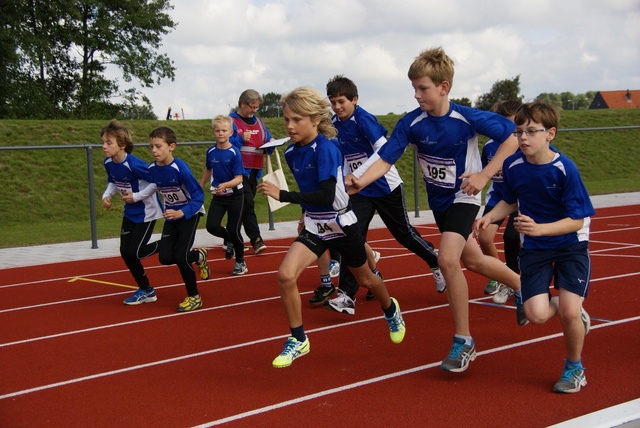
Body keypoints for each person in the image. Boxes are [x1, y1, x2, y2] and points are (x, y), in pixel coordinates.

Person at [346, 47, 525, 373]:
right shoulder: (411, 123)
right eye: (413, 88)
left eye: (423, 88)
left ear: (444, 87)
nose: (416, 95)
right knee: (472, 260)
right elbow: (385, 159)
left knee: (446, 258)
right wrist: (359, 180)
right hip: (440, 204)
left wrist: (485, 174)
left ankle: (464, 340)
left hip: (465, 197)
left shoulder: (466, 117)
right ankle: (523, 286)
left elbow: (513, 136)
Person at [257, 86, 406, 368]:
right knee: (286, 275)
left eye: (297, 119)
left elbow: (327, 195)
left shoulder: (326, 149)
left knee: (366, 280)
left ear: (315, 119)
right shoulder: (291, 152)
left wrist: (283, 195)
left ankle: (390, 309)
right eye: (287, 119)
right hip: (315, 225)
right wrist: (304, 212)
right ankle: (298, 339)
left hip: (340, 223)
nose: (290, 125)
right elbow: (309, 189)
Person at [475, 101, 593, 393]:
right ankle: (574, 310)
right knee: (537, 315)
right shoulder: (513, 166)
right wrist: (490, 216)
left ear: (550, 133)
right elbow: (510, 199)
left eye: (530, 131)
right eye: (518, 132)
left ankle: (574, 368)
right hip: (536, 249)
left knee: (567, 309)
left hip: (570, 245)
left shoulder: (565, 169)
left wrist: (540, 229)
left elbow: (577, 221)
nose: (523, 138)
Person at [320, 75, 445, 314]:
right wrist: (347, 181)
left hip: (385, 186)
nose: (337, 107)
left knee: (404, 235)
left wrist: (362, 174)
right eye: (333, 102)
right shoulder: (333, 124)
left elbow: (383, 150)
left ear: (354, 100)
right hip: (360, 191)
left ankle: (435, 261)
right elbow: (344, 157)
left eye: (341, 101)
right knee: (351, 236)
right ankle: (347, 295)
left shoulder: (364, 119)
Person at [145, 126, 210, 312]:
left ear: (171, 146)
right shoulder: (152, 168)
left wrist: (182, 212)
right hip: (171, 215)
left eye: (158, 146)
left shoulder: (180, 168)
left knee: (181, 256)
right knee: (165, 257)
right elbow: (153, 188)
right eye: (151, 147)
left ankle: (194, 296)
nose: (154, 151)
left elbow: (198, 196)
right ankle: (198, 256)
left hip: (190, 213)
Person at [101, 119, 163, 305]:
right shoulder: (109, 163)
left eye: (108, 143)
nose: (104, 146)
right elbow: (113, 180)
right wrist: (107, 196)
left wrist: (136, 196)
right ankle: (146, 290)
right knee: (125, 252)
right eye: (103, 142)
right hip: (130, 212)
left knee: (135, 251)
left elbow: (156, 182)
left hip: (147, 211)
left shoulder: (135, 165)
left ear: (122, 145)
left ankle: (168, 242)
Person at [477, 100, 522, 304]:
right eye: (499, 123)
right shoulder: (489, 146)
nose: (504, 129)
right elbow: (485, 170)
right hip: (498, 196)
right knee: (484, 236)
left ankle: (514, 281)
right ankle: (499, 275)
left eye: (510, 124)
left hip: (521, 198)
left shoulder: (524, 144)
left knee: (512, 237)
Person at [229, 89, 275, 255]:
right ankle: (256, 239)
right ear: (243, 104)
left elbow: (267, 139)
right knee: (247, 205)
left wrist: (271, 142)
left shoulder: (260, 123)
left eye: (257, 107)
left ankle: (230, 238)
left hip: (255, 172)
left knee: (241, 207)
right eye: (252, 107)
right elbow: (224, 144)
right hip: (238, 172)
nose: (255, 110)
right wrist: (240, 139)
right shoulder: (231, 121)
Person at [200, 115, 247, 276]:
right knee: (212, 226)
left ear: (231, 132)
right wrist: (200, 186)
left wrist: (225, 185)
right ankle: (231, 241)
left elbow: (239, 178)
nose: (220, 133)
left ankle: (240, 261)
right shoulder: (211, 151)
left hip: (235, 195)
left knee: (234, 229)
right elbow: (208, 169)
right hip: (219, 196)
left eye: (224, 130)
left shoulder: (234, 153)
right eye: (217, 130)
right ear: (213, 132)